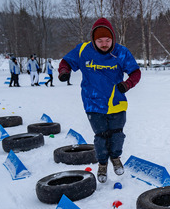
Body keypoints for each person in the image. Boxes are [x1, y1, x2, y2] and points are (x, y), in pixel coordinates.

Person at [58, 17, 141, 183]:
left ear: (113, 39)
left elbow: (135, 72)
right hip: (93, 103)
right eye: (100, 40)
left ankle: (115, 158)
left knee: (117, 135)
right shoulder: (83, 51)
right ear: (93, 40)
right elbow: (66, 61)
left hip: (116, 103)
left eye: (108, 40)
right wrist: (64, 71)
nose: (104, 44)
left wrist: (127, 84)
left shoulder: (121, 52)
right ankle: (102, 164)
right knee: (101, 136)